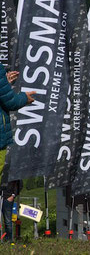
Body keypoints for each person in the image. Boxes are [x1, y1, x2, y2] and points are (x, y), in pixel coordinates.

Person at [0, 64, 35, 242]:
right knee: (7, 219)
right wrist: (23, 98)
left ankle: (8, 238)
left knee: (9, 220)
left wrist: (4, 83)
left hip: (8, 198)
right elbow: (10, 102)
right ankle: (7, 238)